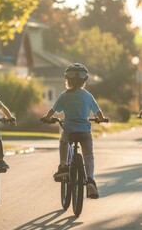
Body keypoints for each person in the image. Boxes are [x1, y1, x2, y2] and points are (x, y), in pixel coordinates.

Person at [40, 63, 107, 199]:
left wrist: (47, 118)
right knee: (88, 156)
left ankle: (63, 166)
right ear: (84, 81)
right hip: (85, 131)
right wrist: (101, 119)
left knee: (63, 142)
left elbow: (53, 110)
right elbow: (97, 111)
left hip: (69, 130)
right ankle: (90, 179)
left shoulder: (64, 95)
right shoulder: (88, 96)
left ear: (67, 81)